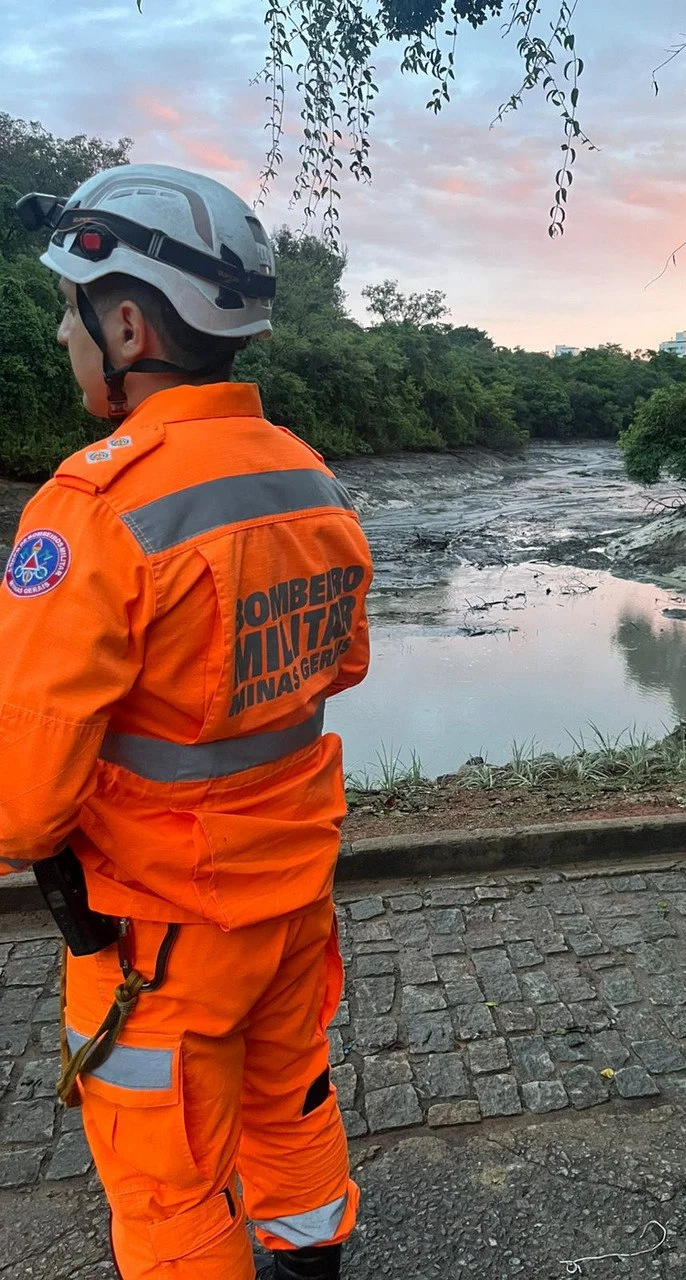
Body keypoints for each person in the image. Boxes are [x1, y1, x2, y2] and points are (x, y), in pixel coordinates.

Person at [0, 164, 373, 1279]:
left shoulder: (90, 510)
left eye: (73, 312)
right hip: (293, 886)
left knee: (163, 1178)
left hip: (160, 923)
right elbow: (335, 667)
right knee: (290, 1092)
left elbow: (20, 803)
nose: (68, 337)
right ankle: (312, 1260)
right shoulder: (311, 479)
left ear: (126, 321)